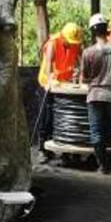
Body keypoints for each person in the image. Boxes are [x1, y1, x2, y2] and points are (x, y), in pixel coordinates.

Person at [80, 14, 111, 174]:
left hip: (94, 96)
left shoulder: (88, 52)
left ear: (92, 32)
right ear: (106, 29)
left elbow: (85, 77)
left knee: (97, 132)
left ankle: (102, 166)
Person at [37, 22, 84, 157]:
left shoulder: (76, 43)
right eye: (70, 42)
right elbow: (48, 67)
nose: (72, 44)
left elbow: (82, 63)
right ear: (63, 36)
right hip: (48, 84)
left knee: (65, 116)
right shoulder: (53, 43)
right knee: (47, 115)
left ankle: (65, 150)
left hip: (65, 85)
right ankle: (43, 147)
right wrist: (51, 82)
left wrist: (81, 79)